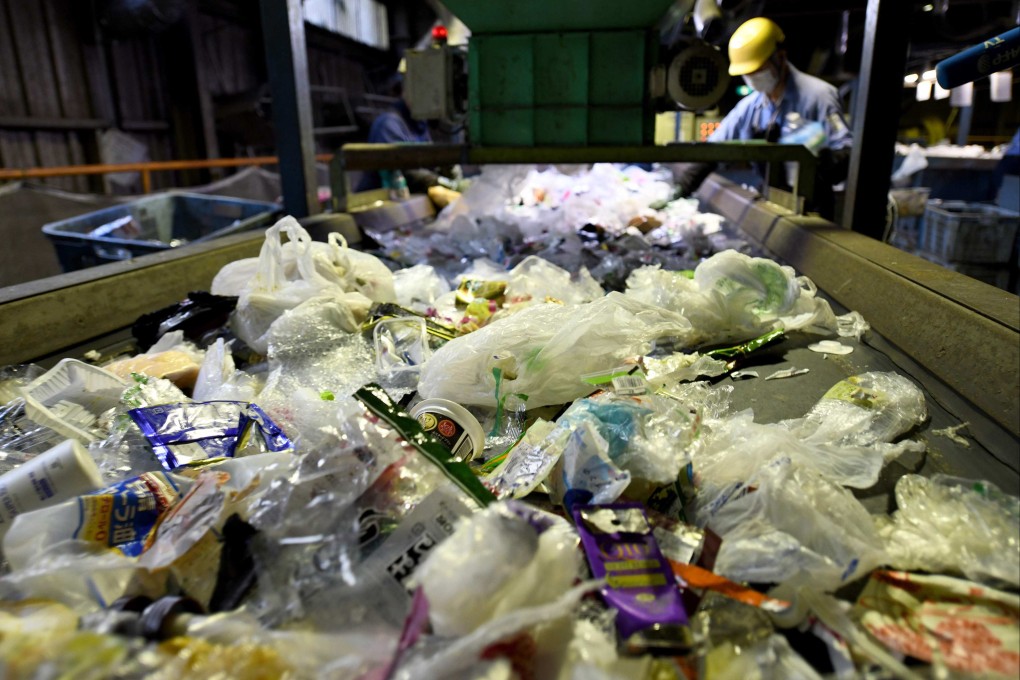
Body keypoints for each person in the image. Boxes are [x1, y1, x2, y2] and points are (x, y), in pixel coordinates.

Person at [677, 17, 853, 218]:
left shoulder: (819, 96)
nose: (753, 77)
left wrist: (823, 159)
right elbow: (712, 150)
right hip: (772, 202)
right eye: (748, 73)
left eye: (758, 70)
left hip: (812, 207)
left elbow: (845, 150)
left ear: (780, 57)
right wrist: (680, 190)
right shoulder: (750, 107)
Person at [356, 71, 439, 194]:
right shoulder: (388, 124)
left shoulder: (419, 123)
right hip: (378, 206)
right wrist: (444, 183)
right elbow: (407, 172)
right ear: (405, 89)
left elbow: (429, 162)